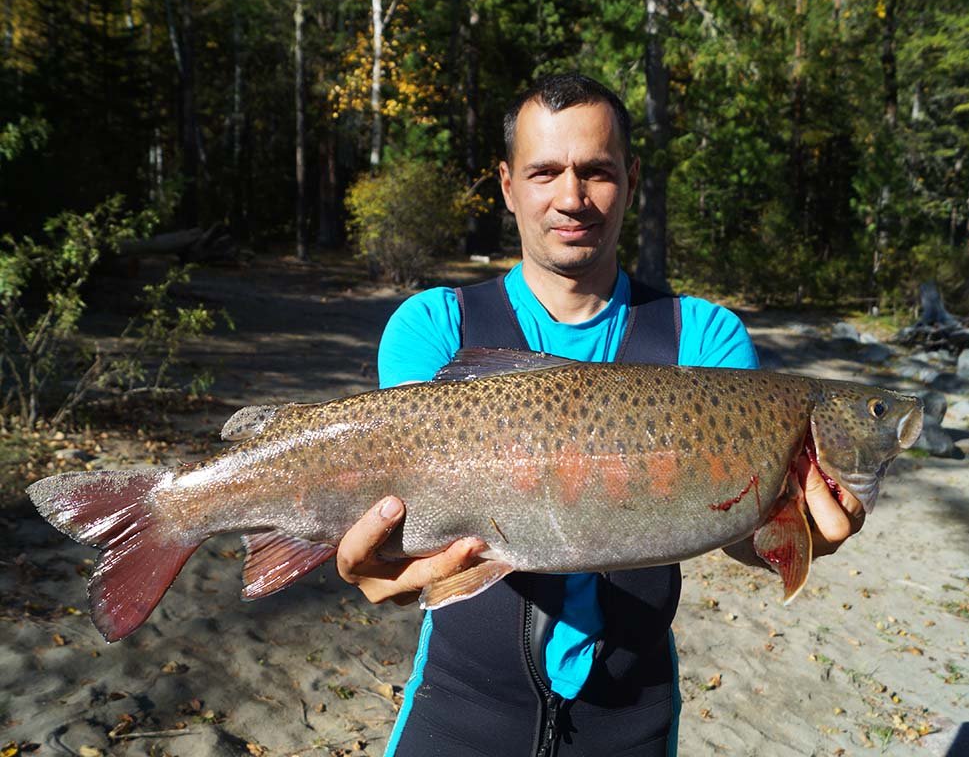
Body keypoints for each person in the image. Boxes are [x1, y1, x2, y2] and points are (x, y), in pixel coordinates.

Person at [336, 73, 863, 756]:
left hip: (631, 716)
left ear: (633, 179)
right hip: (461, 707)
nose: (571, 197)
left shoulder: (703, 339)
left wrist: (790, 534)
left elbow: (735, 525)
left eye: (597, 172)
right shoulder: (433, 327)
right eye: (545, 171)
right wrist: (376, 559)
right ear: (506, 184)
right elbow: (397, 506)